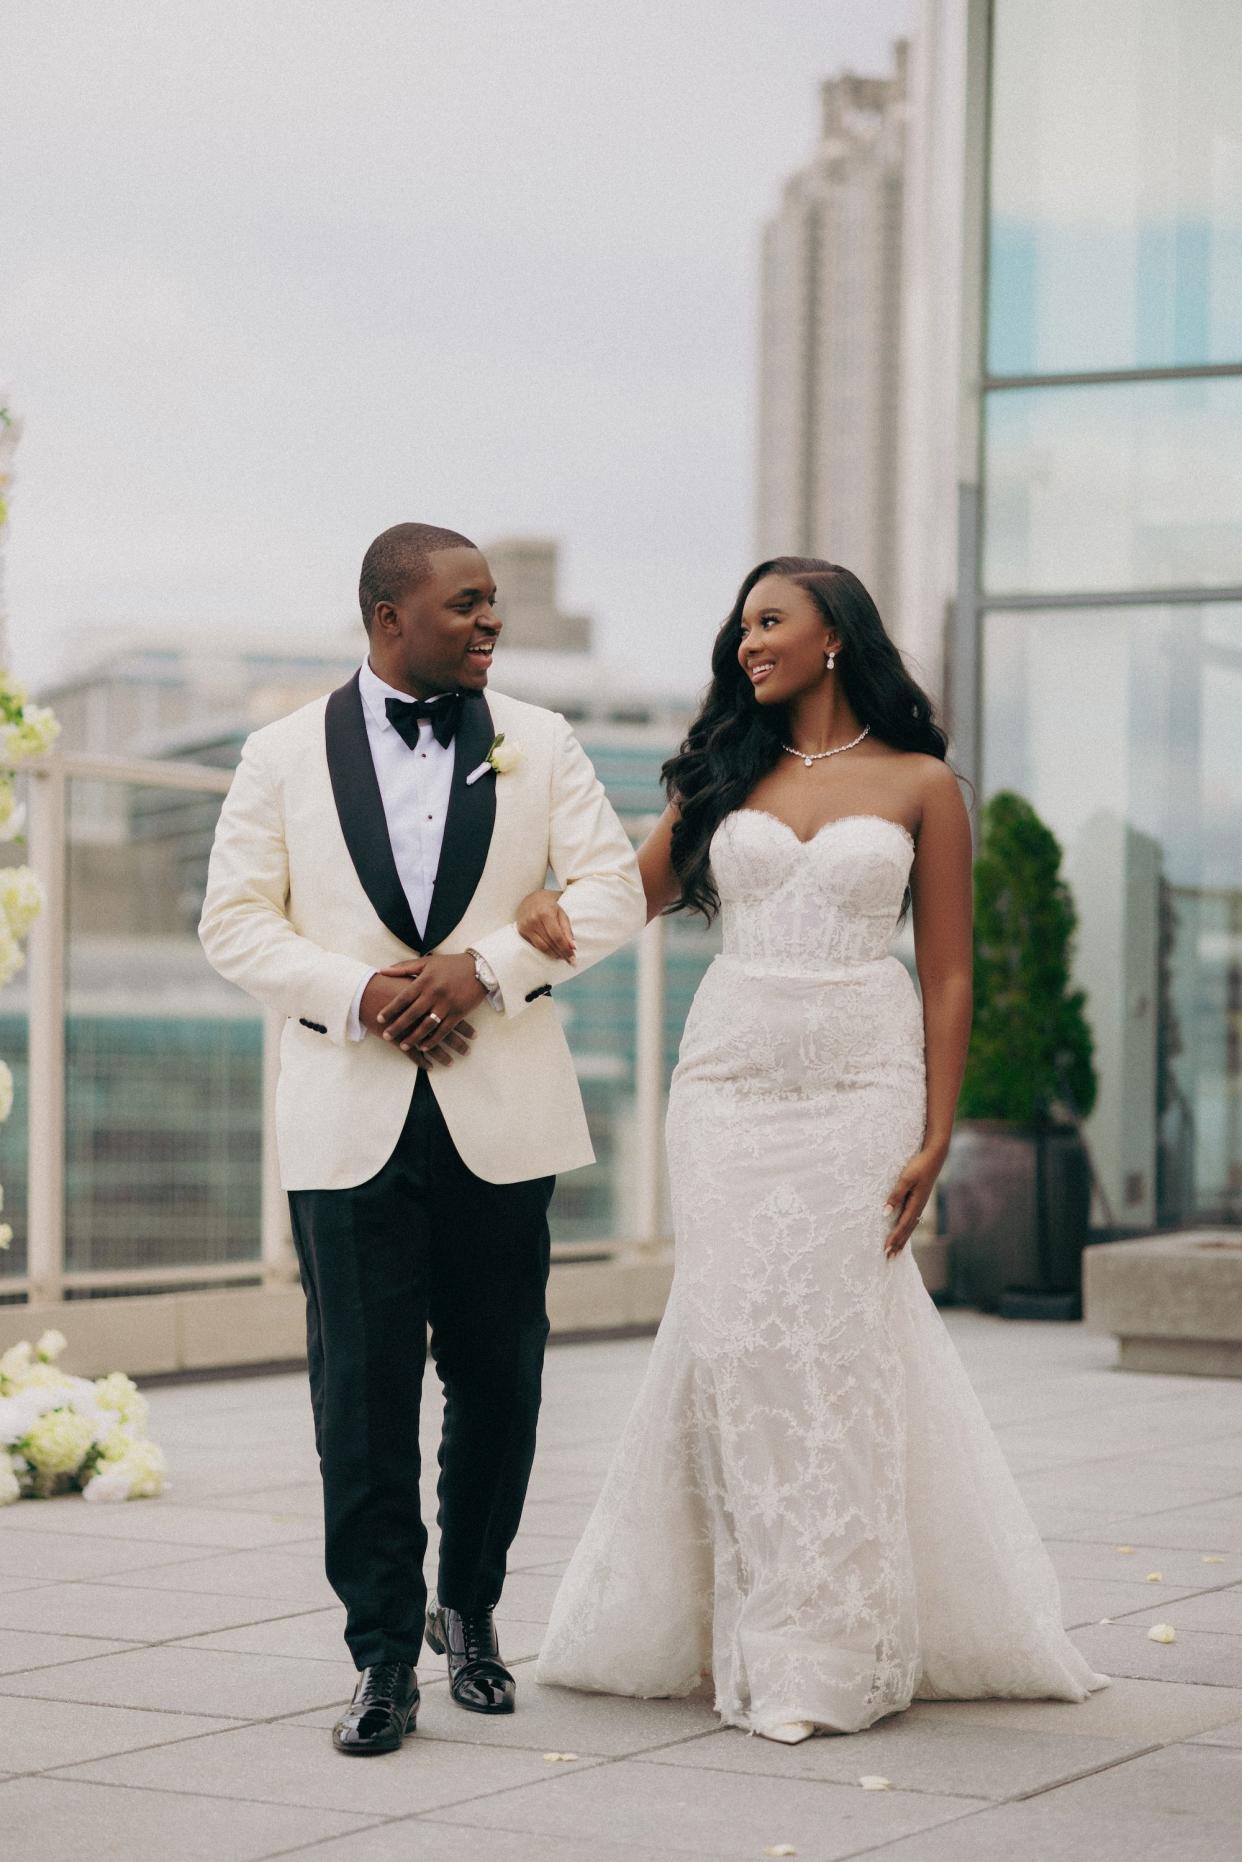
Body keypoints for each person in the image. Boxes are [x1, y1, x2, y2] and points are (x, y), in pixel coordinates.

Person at [524, 557, 1109, 1740]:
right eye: (741, 624)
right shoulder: (724, 774)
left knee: (835, 1346)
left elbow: (948, 969)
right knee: (739, 1339)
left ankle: (823, 1645)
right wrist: (531, 923)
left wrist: (939, 1130)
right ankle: (742, 1619)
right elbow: (622, 903)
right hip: (729, 1081)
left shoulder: (922, 784)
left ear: (834, 635)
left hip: (863, 1082)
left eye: (771, 620)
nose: (748, 642)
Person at [198, 522, 645, 1756]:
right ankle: (383, 1652)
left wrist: (479, 969)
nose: (490, 622)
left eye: (497, 602)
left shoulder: (540, 741)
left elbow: (611, 888)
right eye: (467, 604)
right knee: (362, 1392)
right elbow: (231, 921)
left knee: (499, 1378)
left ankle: (474, 1608)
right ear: (391, 615)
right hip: (346, 1119)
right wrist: (360, 994)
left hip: (502, 1116)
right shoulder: (280, 752)